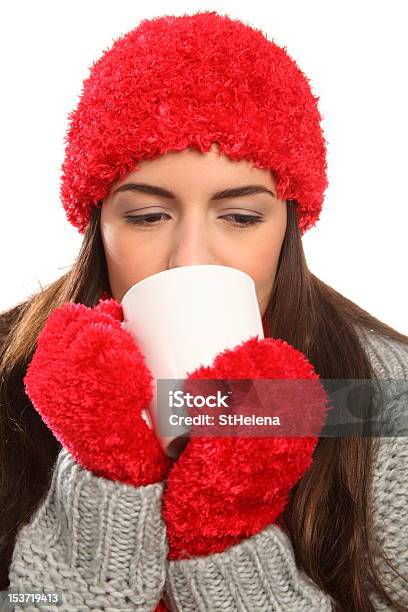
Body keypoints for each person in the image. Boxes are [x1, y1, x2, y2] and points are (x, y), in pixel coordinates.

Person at [0, 10, 407, 612]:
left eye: (241, 217)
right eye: (145, 216)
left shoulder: (380, 397)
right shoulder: (13, 376)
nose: (190, 258)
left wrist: (223, 535)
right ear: (97, 223)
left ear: (289, 226)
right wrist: (105, 477)